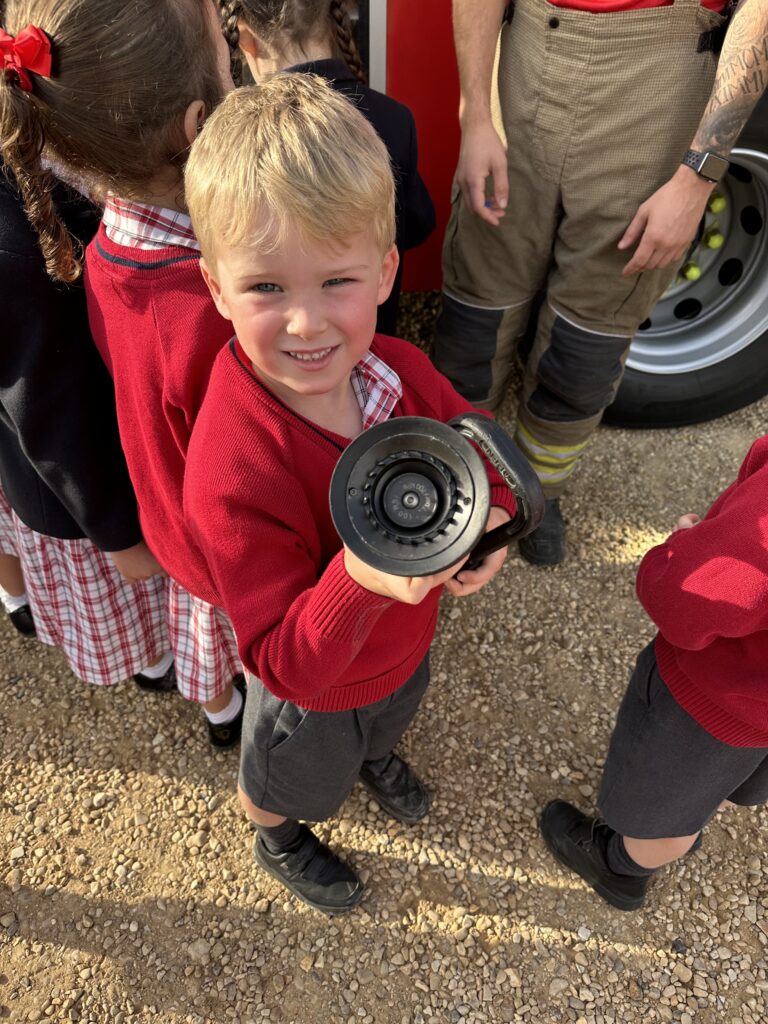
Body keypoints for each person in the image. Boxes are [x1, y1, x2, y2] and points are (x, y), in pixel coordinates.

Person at [183, 74, 518, 913]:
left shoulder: (399, 371)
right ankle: (277, 833)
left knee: (396, 706)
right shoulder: (231, 468)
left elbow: (474, 442)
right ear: (217, 288)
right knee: (285, 771)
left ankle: (376, 753)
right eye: (265, 288)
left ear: (384, 270)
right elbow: (278, 662)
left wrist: (495, 526)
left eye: (336, 281)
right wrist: (363, 579)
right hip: (314, 691)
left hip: (404, 642)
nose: (306, 324)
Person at [433, 0, 768, 566]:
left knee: (585, 343)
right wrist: (476, 117)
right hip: (528, 58)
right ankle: (458, 484)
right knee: (474, 318)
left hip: (662, 81)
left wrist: (696, 179)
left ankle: (537, 490)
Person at [0, 0, 245, 745]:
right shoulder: (23, 252)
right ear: (195, 122)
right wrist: (117, 535)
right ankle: (195, 690)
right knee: (150, 618)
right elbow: (46, 410)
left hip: (119, 476)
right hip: (96, 495)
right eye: (226, 52)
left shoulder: (74, 155)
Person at [540, 436, 768, 910]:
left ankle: (619, 865)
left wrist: (681, 548)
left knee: (659, 810)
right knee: (721, 782)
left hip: (716, 702)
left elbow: (685, 599)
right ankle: (700, 804)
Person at [0, 159, 173, 689]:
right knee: (132, 605)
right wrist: (118, 535)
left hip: (22, 455)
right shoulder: (19, 236)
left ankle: (15, 599)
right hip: (75, 486)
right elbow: (48, 407)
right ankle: (153, 666)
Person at [217, 0, 435, 335]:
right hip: (372, 336)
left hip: (283, 352)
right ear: (337, 15)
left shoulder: (233, 143)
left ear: (244, 36)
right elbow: (419, 223)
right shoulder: (394, 119)